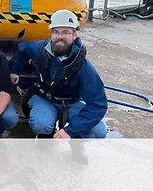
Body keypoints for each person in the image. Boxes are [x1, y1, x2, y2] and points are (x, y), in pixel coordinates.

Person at [9, 9, 108, 139]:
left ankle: (76, 140)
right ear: (51, 33)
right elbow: (22, 49)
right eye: (56, 32)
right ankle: (46, 136)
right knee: (40, 124)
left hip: (73, 102)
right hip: (44, 98)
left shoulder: (84, 67)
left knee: (99, 131)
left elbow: (98, 104)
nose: (60, 37)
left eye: (66, 32)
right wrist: (14, 70)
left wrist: (70, 130)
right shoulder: (39, 49)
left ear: (74, 35)